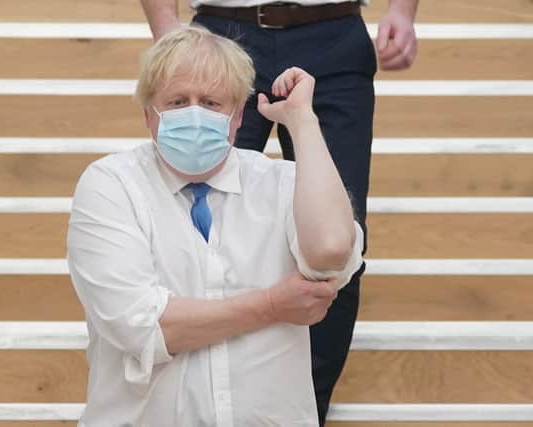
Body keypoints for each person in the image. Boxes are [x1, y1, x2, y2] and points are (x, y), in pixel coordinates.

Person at [67, 26, 363, 426]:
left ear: (238, 116)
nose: (194, 114)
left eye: (211, 102)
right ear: (147, 115)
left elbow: (330, 251)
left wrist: (303, 123)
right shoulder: (110, 185)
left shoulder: (284, 185)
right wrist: (272, 305)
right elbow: (144, 327)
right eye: (176, 101)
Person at [140, 1, 419, 423]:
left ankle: (306, 413)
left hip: (335, 32)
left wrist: (402, 8)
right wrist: (165, 27)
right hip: (221, 32)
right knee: (195, 228)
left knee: (338, 239)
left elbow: (333, 248)